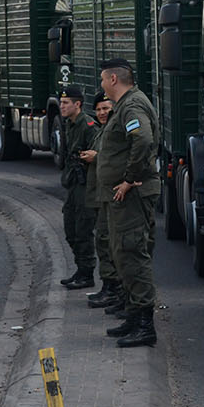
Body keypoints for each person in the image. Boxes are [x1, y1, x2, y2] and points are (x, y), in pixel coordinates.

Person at [95, 59, 160, 347]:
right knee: (122, 253)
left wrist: (129, 177)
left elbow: (143, 140)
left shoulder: (132, 105)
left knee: (132, 253)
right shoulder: (126, 105)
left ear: (112, 79)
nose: (101, 85)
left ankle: (145, 325)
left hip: (131, 194)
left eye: (101, 80)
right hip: (123, 196)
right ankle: (134, 316)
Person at [56, 87, 99, 289]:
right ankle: (80, 268)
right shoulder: (69, 124)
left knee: (83, 229)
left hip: (85, 184)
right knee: (70, 228)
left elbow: (97, 155)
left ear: (77, 104)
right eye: (61, 102)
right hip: (73, 182)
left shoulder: (88, 126)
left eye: (66, 103)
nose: (62, 106)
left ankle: (87, 273)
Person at [84, 96, 123, 312]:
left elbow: (115, 158)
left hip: (111, 195)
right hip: (101, 194)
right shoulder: (102, 130)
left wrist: (96, 157)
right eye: (98, 109)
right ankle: (110, 286)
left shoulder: (115, 130)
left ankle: (114, 288)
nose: (101, 113)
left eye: (106, 108)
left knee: (108, 241)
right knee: (102, 240)